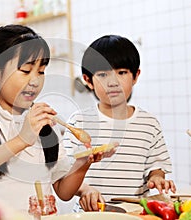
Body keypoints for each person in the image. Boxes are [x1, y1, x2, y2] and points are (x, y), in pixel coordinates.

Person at [0, 24, 115, 214]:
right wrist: (21, 140)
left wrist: (83, 164)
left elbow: (63, 191)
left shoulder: (45, 120)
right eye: (25, 70)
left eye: (41, 72)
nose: (35, 81)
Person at [63, 34, 176, 209]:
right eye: (102, 74)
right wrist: (85, 190)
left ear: (135, 76)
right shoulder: (78, 123)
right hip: (91, 214)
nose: (113, 82)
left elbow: (156, 165)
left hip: (135, 212)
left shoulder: (149, 124)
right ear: (88, 80)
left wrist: (157, 178)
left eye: (121, 72)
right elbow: (65, 175)